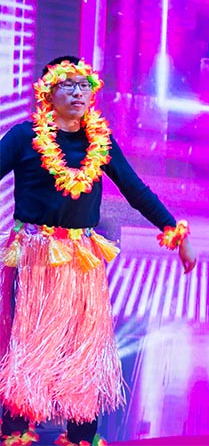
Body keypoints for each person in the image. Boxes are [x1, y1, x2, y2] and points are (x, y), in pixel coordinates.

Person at [0, 57, 197, 446]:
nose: (77, 93)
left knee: (83, 351)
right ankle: (16, 433)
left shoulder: (99, 143)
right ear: (47, 92)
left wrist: (175, 233)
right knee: (27, 348)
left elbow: (135, 190)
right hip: (35, 258)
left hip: (82, 261)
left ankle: (80, 436)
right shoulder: (24, 137)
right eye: (67, 85)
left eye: (84, 85)